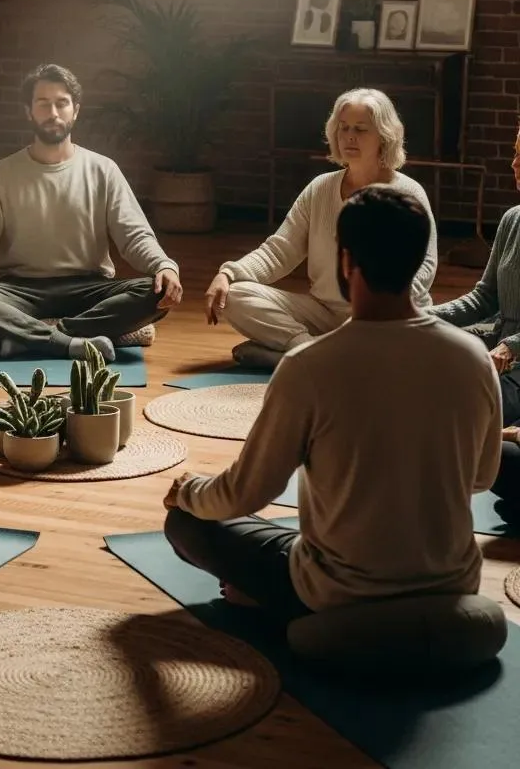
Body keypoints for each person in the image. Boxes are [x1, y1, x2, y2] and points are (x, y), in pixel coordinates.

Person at [165, 186, 501, 621]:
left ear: (345, 260)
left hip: (334, 594)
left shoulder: (308, 367)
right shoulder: (474, 358)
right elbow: (481, 477)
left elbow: (246, 493)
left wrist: (188, 491)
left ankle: (271, 598)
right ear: (419, 262)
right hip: (451, 586)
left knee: (186, 523)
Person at [0, 63, 182, 360]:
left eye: (61, 103)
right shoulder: (2, 173)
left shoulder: (103, 170)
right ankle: (69, 342)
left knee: (154, 294)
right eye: (43, 104)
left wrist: (165, 266)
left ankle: (32, 338)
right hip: (17, 291)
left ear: (75, 110)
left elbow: (134, 235)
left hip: (88, 288)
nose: (53, 113)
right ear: (29, 111)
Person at [205, 87, 438, 369]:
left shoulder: (408, 192)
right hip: (325, 313)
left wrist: (371, 315)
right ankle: (310, 351)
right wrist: (227, 273)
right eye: (344, 128)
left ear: (384, 136)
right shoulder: (320, 188)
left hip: (388, 318)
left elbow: (424, 268)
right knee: (234, 295)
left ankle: (300, 357)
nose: (350, 136)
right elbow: (279, 251)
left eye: (361, 129)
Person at [432, 123, 520, 522]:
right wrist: (420, 317)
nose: (515, 164)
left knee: (461, 407)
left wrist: (512, 347)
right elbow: (484, 298)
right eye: (515, 153)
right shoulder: (511, 220)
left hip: (514, 359)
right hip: (495, 341)